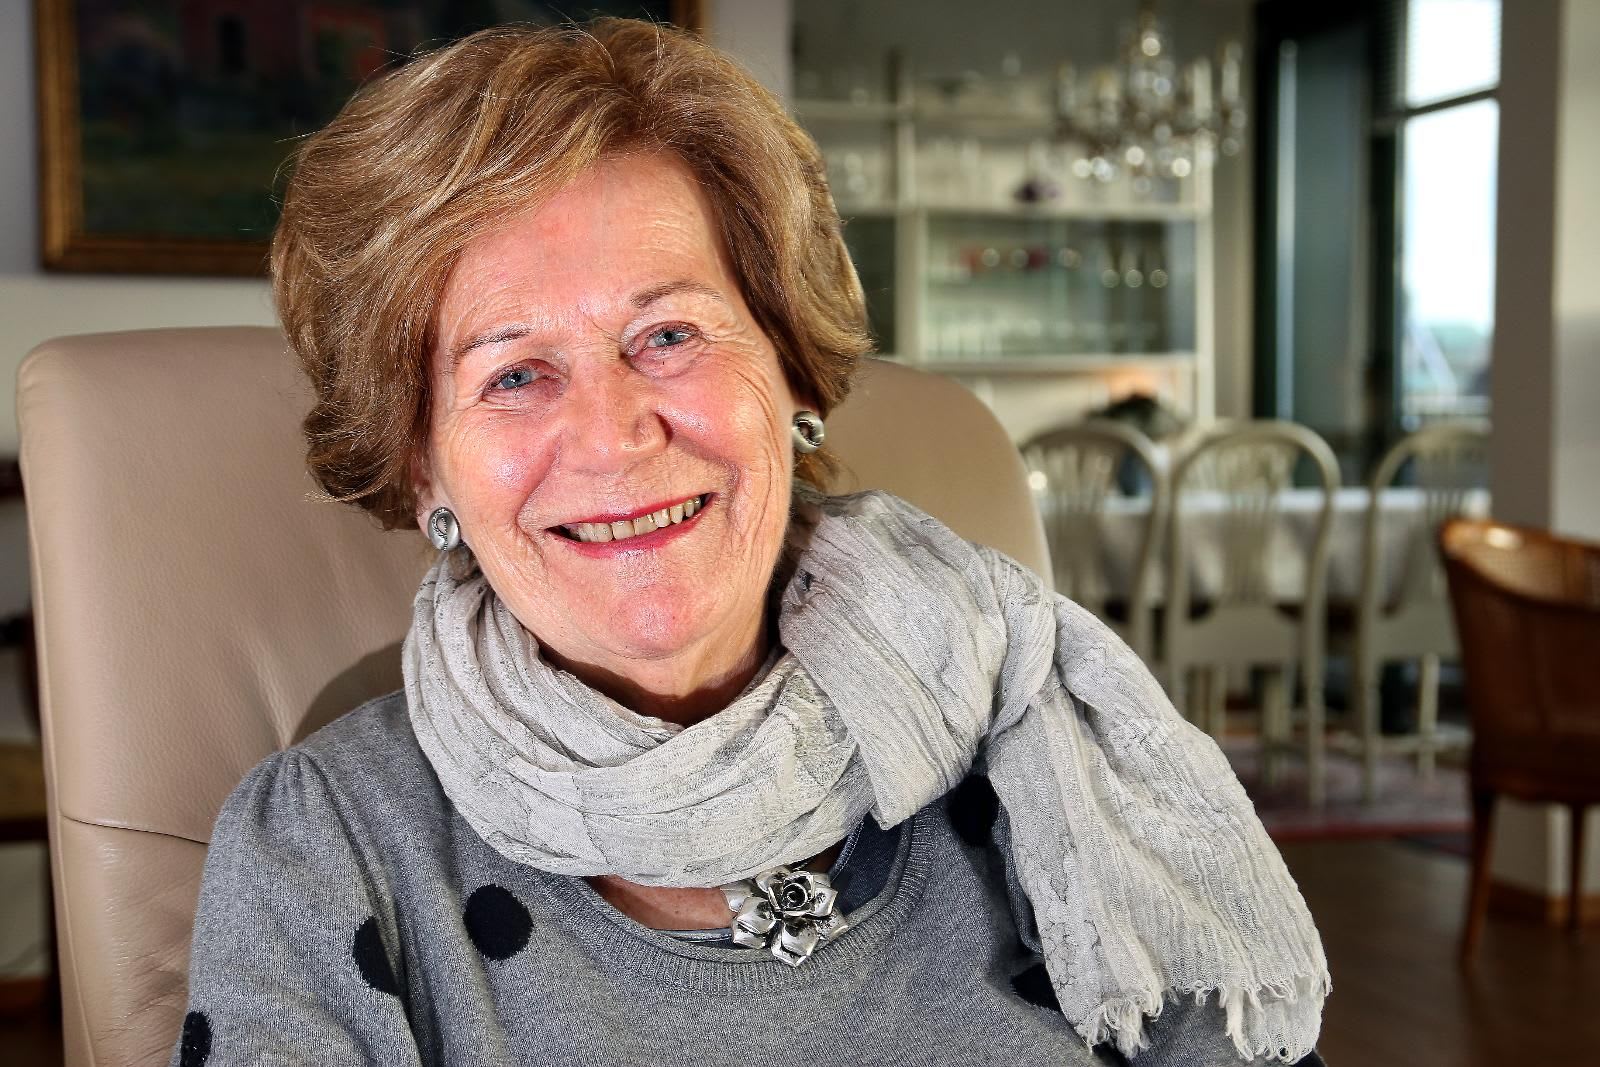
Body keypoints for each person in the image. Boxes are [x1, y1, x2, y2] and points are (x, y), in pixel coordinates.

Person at [172, 19, 1328, 1067]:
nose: (614, 435)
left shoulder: (1050, 733)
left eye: (668, 334)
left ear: (789, 375)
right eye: (515, 374)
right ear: (423, 464)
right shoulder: (324, 843)